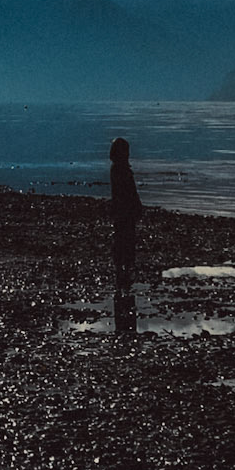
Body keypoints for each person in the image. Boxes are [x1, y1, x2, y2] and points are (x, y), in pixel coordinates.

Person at [109, 136, 142, 337]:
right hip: (125, 212)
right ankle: (124, 273)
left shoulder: (116, 169)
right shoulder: (122, 171)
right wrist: (137, 206)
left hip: (120, 211)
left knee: (122, 240)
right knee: (126, 241)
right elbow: (130, 192)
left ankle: (122, 273)